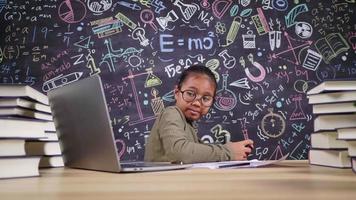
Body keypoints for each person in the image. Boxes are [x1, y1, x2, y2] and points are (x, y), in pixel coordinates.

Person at [144, 65, 254, 164]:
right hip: (162, 184)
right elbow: (179, 153)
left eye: (206, 98)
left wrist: (230, 149)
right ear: (177, 93)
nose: (197, 103)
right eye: (190, 93)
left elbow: (196, 152)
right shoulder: (171, 113)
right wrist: (228, 152)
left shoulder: (187, 124)